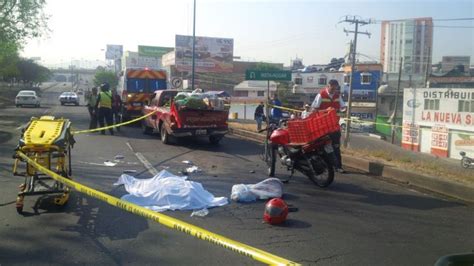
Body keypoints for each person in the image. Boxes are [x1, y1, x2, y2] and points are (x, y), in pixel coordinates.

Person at [311, 79, 347, 173]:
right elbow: (314, 109)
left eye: (335, 89)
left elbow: (343, 107)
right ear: (328, 86)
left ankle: (338, 166)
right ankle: (324, 164)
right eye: (332, 88)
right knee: (320, 146)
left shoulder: (337, 96)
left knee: (336, 146)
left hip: (334, 126)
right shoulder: (321, 95)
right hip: (322, 127)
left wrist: (343, 110)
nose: (333, 90)